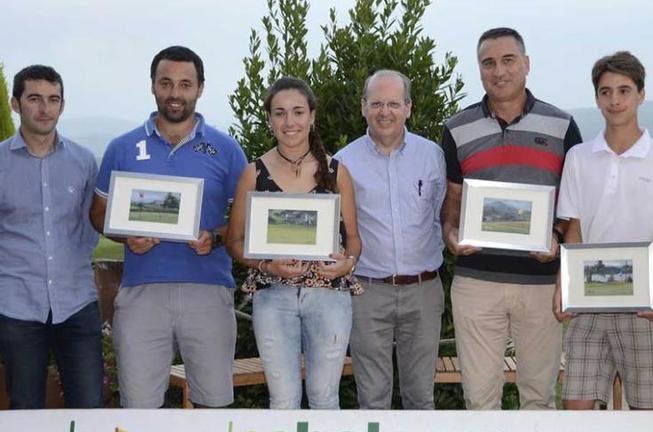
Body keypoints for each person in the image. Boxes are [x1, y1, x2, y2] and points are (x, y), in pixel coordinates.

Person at [90, 46, 247, 408]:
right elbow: (98, 213)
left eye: (185, 84)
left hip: (208, 290)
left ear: (200, 88)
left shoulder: (226, 149)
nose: (175, 93)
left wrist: (217, 237)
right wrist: (126, 237)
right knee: (140, 409)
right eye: (166, 83)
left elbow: (245, 219)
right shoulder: (123, 147)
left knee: (214, 406)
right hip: (143, 291)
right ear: (153, 86)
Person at [442, 27, 582, 410]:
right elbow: (452, 203)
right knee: (479, 400)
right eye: (488, 63)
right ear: (480, 69)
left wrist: (556, 240)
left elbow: (575, 206)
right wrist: (451, 236)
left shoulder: (562, 125)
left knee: (539, 398)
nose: (498, 71)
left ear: (526, 64)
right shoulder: (457, 128)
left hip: (539, 283)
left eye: (508, 60)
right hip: (477, 283)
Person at [554, 51, 653, 410]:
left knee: (645, 413)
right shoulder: (579, 157)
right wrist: (564, 287)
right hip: (588, 302)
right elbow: (573, 228)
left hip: (643, 307)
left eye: (624, 90)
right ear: (596, 97)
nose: (615, 100)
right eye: (606, 91)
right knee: (576, 408)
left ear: (641, 95)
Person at [226, 77, 361, 409]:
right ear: (270, 119)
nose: (290, 122)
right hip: (273, 297)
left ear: (312, 116)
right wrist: (265, 265)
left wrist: (349, 263)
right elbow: (234, 241)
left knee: (324, 397)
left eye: (298, 112)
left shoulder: (337, 171)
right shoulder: (253, 173)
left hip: (329, 296)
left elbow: (355, 239)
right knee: (283, 399)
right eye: (280, 113)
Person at [334, 70, 445, 410]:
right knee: (372, 399)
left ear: (409, 108)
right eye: (377, 103)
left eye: (394, 103)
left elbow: (443, 214)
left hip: (424, 291)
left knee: (421, 398)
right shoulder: (344, 162)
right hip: (367, 292)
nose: (386, 112)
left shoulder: (432, 155)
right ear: (363, 107)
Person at [0, 65, 103, 409]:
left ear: (62, 105)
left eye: (53, 99)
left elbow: (93, 224)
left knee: (89, 406)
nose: (44, 109)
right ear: (16, 104)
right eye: (34, 99)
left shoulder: (84, 161)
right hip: (17, 306)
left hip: (76, 304)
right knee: (25, 408)